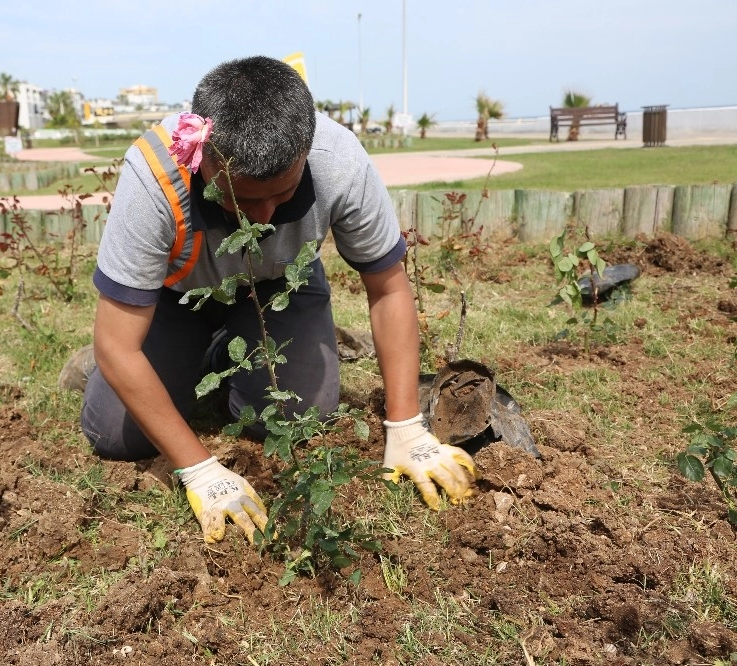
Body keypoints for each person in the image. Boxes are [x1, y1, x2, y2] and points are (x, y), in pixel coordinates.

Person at [76, 55, 476, 545]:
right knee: (117, 436)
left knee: (299, 415)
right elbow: (119, 344)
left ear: (306, 152)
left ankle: (225, 356)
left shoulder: (339, 161)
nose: (264, 217)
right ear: (203, 160)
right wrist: (200, 470)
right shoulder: (154, 176)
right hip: (175, 298)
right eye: (240, 201)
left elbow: (388, 287)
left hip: (280, 286)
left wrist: (407, 427)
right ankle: (161, 358)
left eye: (281, 194)